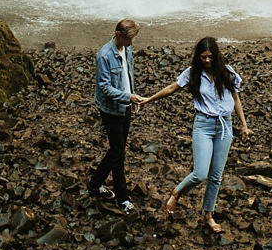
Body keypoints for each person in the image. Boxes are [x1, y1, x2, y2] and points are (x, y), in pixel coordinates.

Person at [141, 36, 251, 233]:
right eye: (203, 57)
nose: (207, 61)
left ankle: (208, 215)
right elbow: (172, 88)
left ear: (216, 55)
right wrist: (149, 99)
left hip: (225, 126)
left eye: (210, 57)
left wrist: (244, 125)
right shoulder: (193, 73)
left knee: (216, 176)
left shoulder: (227, 72)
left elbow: (236, 99)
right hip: (203, 125)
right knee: (201, 173)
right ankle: (176, 192)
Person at [89, 17, 141, 212]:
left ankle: (95, 183)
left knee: (116, 149)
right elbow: (104, 88)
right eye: (129, 39)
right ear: (118, 35)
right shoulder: (104, 55)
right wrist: (129, 96)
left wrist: (132, 99)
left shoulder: (126, 49)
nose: (131, 43)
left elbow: (128, 75)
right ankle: (123, 198)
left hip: (126, 105)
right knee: (118, 153)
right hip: (111, 109)